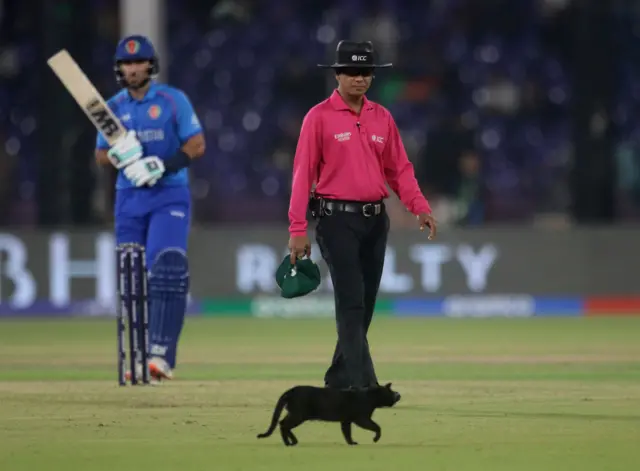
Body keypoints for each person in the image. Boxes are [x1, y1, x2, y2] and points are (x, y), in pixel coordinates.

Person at [287, 40, 437, 390]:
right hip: (335, 220)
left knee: (365, 304)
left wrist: (420, 206)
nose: (360, 78)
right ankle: (363, 384)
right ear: (338, 74)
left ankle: (339, 377)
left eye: (366, 72)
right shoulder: (318, 117)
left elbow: (400, 169)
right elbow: (302, 175)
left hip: (375, 220)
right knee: (351, 299)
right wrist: (298, 228)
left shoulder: (382, 117)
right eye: (352, 72)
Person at [95, 35, 205, 381]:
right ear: (119, 68)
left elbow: (197, 144)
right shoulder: (110, 108)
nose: (132, 68)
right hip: (129, 197)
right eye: (126, 63)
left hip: (169, 194)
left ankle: (161, 355)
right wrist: (117, 156)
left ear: (150, 65)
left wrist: (163, 165)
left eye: (138, 62)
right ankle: (139, 358)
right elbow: (100, 154)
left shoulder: (173, 100)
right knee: (132, 279)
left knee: (167, 267)